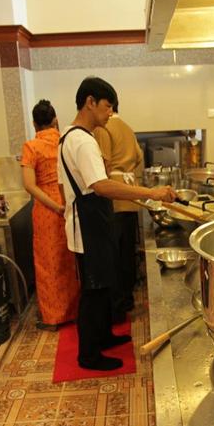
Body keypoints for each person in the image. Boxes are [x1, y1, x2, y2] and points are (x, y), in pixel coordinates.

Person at [58, 77, 176, 371]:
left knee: (102, 287)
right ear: (90, 102)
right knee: (93, 291)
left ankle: (103, 337)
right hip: (88, 227)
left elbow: (77, 184)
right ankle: (89, 355)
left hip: (89, 222)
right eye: (107, 106)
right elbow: (101, 186)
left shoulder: (69, 136)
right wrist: (152, 193)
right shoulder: (83, 140)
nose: (110, 112)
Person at [21, 100, 80, 331]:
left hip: (47, 210)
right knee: (69, 259)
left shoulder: (31, 147)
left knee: (48, 264)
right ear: (55, 120)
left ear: (34, 123)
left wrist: (54, 206)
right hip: (68, 201)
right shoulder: (64, 141)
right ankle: (74, 310)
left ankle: (54, 317)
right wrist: (63, 204)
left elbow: (29, 185)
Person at [93, 101, 143, 323]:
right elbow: (139, 158)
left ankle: (117, 307)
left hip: (114, 198)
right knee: (127, 254)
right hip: (130, 197)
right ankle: (127, 299)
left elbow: (102, 166)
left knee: (113, 257)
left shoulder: (103, 129)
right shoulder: (128, 128)